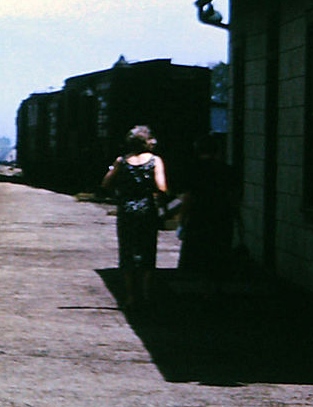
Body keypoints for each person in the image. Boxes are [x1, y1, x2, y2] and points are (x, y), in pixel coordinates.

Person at [101, 124, 168, 308]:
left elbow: (106, 183)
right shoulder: (155, 160)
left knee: (127, 252)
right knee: (147, 251)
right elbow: (161, 187)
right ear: (147, 142)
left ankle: (130, 296)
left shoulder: (121, 161)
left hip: (126, 209)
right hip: (147, 210)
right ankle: (146, 295)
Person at [176, 133, 237, 276]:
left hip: (198, 214)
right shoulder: (226, 169)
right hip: (221, 214)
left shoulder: (193, 169)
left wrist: (182, 220)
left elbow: (188, 197)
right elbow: (232, 196)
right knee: (219, 253)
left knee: (197, 254)